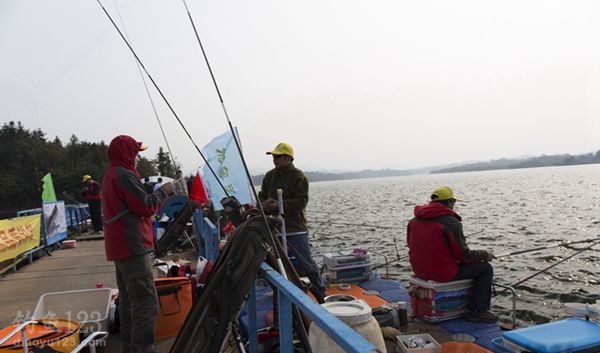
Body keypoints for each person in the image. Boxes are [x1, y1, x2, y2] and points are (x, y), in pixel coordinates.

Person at [102, 135, 174, 353]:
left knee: (128, 303)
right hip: (132, 246)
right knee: (145, 303)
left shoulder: (111, 174)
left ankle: (131, 347)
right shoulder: (124, 175)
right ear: (127, 153)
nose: (136, 158)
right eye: (135, 153)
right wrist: (164, 191)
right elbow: (145, 207)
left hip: (119, 248)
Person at [407, 186, 497, 323]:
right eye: (454, 202)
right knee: (485, 269)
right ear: (449, 202)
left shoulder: (414, 221)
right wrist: (485, 255)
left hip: (419, 271)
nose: (454, 205)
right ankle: (477, 311)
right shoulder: (450, 222)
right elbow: (464, 256)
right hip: (441, 273)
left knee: (469, 266)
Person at [259, 142, 326, 300]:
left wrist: (279, 205)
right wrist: (264, 204)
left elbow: (301, 202)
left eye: (278, 156)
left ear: (288, 158)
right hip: (274, 226)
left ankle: (320, 290)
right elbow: (262, 195)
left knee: (305, 262)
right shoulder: (269, 175)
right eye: (273, 156)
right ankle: (281, 290)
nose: (274, 159)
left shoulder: (299, 176)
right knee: (276, 262)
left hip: (295, 227)